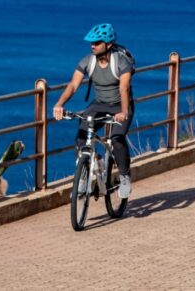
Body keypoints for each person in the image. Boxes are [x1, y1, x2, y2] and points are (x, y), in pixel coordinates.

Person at [53, 23, 135, 199]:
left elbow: (124, 88)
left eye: (97, 42)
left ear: (109, 45)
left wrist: (123, 111)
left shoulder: (121, 61)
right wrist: (59, 104)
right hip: (99, 104)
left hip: (121, 104)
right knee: (81, 136)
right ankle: (88, 168)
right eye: (91, 42)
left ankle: (125, 176)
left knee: (117, 138)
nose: (93, 45)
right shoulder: (87, 61)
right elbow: (73, 85)